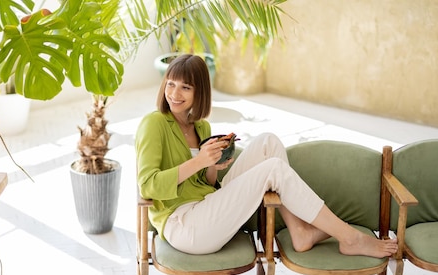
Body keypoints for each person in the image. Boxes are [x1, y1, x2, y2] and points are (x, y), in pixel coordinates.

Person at [135, 54, 398, 257]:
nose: (174, 93)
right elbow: (148, 185)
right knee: (273, 168)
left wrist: (214, 164)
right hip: (184, 226)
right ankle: (350, 238)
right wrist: (200, 160)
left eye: (185, 87)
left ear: (199, 92)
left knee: (268, 143)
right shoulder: (154, 123)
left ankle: (299, 232)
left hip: (206, 209)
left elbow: (205, 184)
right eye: (170, 84)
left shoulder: (200, 127)